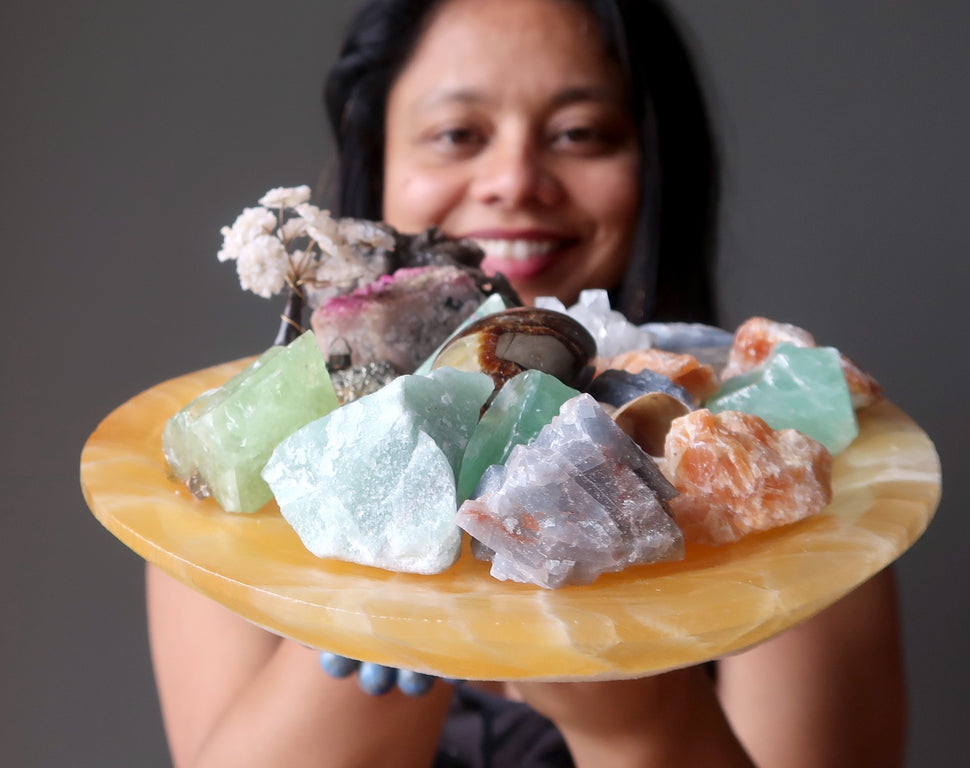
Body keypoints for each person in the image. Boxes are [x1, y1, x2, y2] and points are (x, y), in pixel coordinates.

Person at [147, 0, 907, 766]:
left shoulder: (785, 486)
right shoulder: (232, 485)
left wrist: (634, 711)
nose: (514, 179)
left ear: (651, 163)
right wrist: (375, 599)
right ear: (380, 162)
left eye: (577, 133)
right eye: (457, 135)